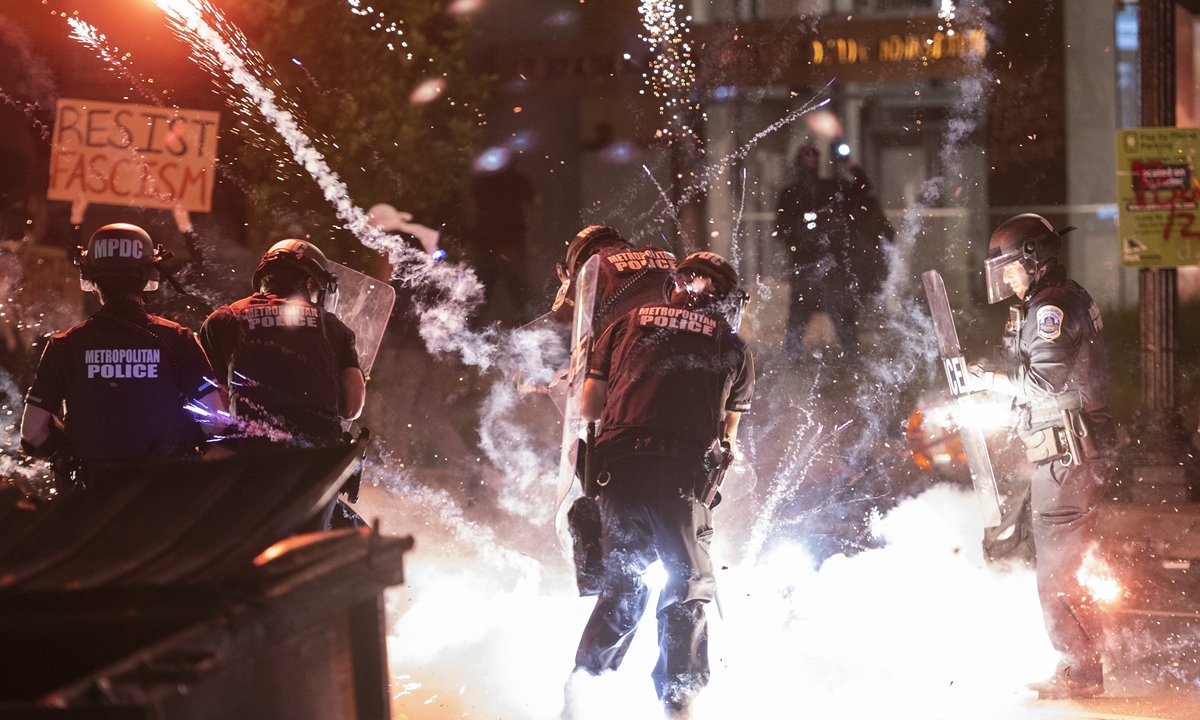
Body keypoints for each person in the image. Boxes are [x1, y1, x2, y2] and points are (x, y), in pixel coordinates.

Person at [572, 251, 754, 719]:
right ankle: (678, 704)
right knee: (686, 586)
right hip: (679, 479)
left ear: (676, 285)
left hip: (618, 470)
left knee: (624, 584)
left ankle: (582, 694)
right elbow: (726, 442)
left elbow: (590, 409)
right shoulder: (732, 346)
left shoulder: (625, 323)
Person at [967, 214, 1115, 700]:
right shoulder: (1057, 298)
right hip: (1067, 449)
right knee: (1053, 557)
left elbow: (1043, 383)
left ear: (1035, 259)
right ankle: (1081, 663)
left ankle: (1079, 671)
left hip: (1068, 453)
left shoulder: (1052, 308)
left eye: (1011, 266)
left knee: (1058, 568)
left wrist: (985, 380)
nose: (1005, 276)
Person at [20, 223, 223, 478]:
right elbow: (215, 422)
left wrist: (71, 452)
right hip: (164, 494)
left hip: (90, 499)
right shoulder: (178, 340)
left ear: (91, 279)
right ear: (149, 275)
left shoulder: (64, 345)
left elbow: (33, 434)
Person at [199, 239, 365, 450]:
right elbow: (352, 408)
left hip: (246, 462)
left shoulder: (223, 321)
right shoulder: (334, 328)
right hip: (316, 462)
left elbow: (215, 414)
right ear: (310, 283)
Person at [775, 142, 889, 358]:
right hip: (805, 267)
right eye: (806, 160)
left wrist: (848, 161)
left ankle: (852, 360)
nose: (811, 165)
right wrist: (801, 225)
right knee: (797, 322)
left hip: (832, 267)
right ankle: (791, 363)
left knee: (843, 317)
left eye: (814, 160)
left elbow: (864, 186)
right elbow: (780, 231)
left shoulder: (831, 188)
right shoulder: (790, 194)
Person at [551, 224, 677, 333]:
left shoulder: (591, 268)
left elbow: (558, 329)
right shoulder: (661, 255)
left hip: (633, 352)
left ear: (577, 261)